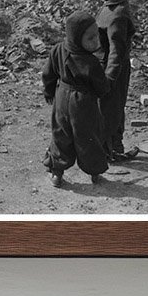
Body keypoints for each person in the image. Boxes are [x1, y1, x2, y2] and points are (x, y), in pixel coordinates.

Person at [41, 10, 111, 187]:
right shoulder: (91, 62)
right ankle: (95, 173)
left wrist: (49, 92)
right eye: (90, 38)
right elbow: (101, 86)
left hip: (62, 98)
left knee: (61, 134)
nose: (96, 41)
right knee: (89, 137)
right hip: (83, 103)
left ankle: (57, 173)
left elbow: (48, 74)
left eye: (96, 36)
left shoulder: (58, 50)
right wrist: (102, 94)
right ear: (76, 37)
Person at [94, 0, 137, 162]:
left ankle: (108, 151)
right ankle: (112, 148)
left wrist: (108, 80)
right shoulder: (108, 7)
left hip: (112, 71)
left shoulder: (117, 14)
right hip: (104, 68)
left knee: (110, 111)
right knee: (109, 109)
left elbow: (116, 52)